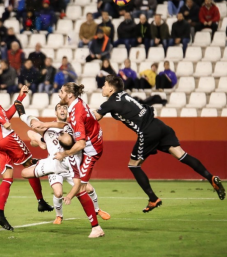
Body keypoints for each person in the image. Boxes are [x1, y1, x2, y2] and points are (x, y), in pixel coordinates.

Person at [92, 75, 225, 212]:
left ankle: (153, 198)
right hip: (159, 125)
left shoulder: (110, 102)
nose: (103, 87)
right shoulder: (124, 95)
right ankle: (211, 178)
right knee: (182, 155)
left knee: (133, 165)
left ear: (111, 89)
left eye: (105, 85)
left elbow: (95, 117)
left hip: (147, 132)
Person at [0, 71, 53, 231]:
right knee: (30, 165)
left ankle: (0, 213)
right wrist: (2, 120)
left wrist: (20, 98)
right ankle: (40, 201)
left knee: (7, 177)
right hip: (6, 136)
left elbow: (7, 115)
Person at [30, 83, 106, 238]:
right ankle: (94, 222)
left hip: (91, 151)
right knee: (81, 187)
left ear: (69, 95)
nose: (59, 94)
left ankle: (96, 228)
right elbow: (66, 124)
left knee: (82, 188)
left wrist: (64, 154)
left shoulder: (76, 112)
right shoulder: (77, 104)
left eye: (62, 91)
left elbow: (80, 144)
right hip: (92, 145)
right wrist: (46, 124)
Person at [22, 103, 110, 225]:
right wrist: (41, 141)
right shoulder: (47, 128)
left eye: (64, 108)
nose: (62, 110)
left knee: (88, 188)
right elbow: (30, 132)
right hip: (54, 165)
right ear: (55, 112)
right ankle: (59, 216)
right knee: (58, 193)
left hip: (70, 165)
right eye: (59, 108)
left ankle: (97, 210)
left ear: (68, 112)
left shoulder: (72, 127)